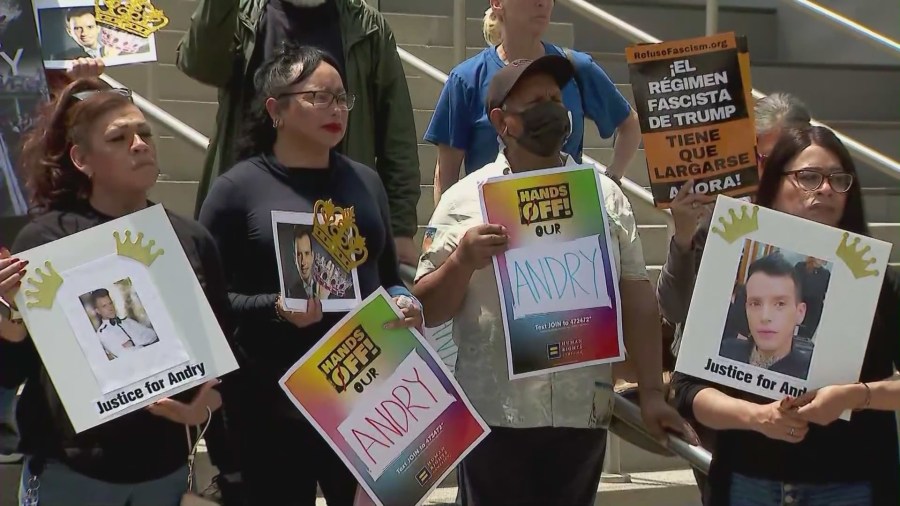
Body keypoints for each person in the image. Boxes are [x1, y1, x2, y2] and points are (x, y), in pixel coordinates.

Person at [414, 54, 697, 505]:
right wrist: (462, 261)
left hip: (580, 413)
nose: (552, 108)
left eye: (556, 98)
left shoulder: (604, 195)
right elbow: (426, 309)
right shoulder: (464, 199)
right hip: (494, 415)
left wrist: (650, 394)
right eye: (536, 101)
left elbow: (639, 300)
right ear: (501, 121)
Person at [197, 45, 423, 505]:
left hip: (364, 398)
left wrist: (404, 300)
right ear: (275, 109)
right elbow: (205, 299)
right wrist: (275, 309)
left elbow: (383, 277)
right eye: (319, 97)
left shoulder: (366, 182)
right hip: (268, 404)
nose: (336, 109)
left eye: (342, 98)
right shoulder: (236, 189)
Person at [0, 78, 230, 505]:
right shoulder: (45, 242)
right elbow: (11, 368)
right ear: (81, 159)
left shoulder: (191, 241)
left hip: (163, 472)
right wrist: (5, 321)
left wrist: (201, 408)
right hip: (69, 474)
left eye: (144, 133)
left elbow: (220, 360)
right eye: (119, 137)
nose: (140, 144)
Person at [672, 126, 900, 505]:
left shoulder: (880, 281)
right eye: (809, 177)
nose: (825, 189)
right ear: (774, 183)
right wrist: (755, 417)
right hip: (748, 480)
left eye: (838, 180)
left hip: (851, 483)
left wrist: (855, 396)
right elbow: (687, 390)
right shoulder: (728, 265)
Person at [177, 0, 422, 266]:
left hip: (337, 214)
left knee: (334, 302)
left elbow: (397, 136)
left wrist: (400, 228)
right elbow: (199, 64)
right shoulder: (243, 13)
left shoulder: (368, 27)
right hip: (250, 211)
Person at [657, 91, 812, 503]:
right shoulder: (722, 220)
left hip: (802, 407)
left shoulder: (829, 221)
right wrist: (684, 236)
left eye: (790, 163)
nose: (776, 172)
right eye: (766, 159)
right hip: (721, 405)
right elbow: (674, 308)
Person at [426, 0, 641, 202]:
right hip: (497, 229)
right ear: (497, 3)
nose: (542, 2)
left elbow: (629, 124)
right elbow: (446, 176)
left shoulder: (575, 67)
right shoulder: (466, 79)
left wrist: (611, 180)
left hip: (571, 222)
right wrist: (449, 233)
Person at [719, 253, 811, 380]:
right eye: (755, 304)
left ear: (800, 312)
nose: (765, 317)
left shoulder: (809, 375)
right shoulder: (724, 352)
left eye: (780, 304)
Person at [91, 288, 160, 358]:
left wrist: (133, 342)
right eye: (104, 306)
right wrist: (141, 339)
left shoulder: (127, 321)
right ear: (98, 311)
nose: (110, 308)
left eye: (110, 303)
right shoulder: (102, 333)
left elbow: (153, 335)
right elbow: (124, 354)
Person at [793, 256, 830, 337]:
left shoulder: (826, 274)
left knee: (805, 338)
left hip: (814, 312)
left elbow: (824, 294)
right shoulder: (801, 267)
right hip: (798, 305)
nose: (821, 258)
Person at [286, 226, 319, 299]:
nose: (303, 262)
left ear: (312, 256)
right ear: (295, 259)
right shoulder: (291, 293)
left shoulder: (325, 287)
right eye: (299, 255)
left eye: (307, 253)